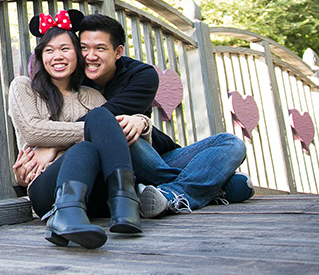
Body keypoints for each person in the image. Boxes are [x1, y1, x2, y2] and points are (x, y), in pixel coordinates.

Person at [77, 13, 254, 215]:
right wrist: (48, 145)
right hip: (114, 166)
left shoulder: (141, 75)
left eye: (100, 48)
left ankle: (171, 194)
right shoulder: (70, 78)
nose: (90, 56)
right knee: (119, 137)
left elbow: (104, 120)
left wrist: (141, 122)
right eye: (84, 48)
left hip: (155, 157)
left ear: (118, 52)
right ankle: (216, 186)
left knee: (231, 143)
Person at [8, 10, 151, 249]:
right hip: (47, 189)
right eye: (49, 50)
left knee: (100, 118)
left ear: (77, 54)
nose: (57, 56)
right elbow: (33, 131)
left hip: (94, 195)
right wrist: (93, 132)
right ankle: (65, 213)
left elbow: (114, 135)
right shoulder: (24, 87)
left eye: (65, 49)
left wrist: (142, 121)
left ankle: (123, 201)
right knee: (88, 143)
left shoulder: (92, 96)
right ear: (41, 56)